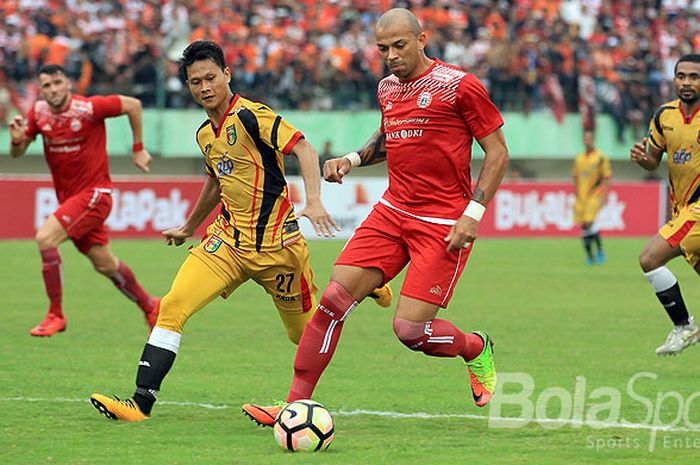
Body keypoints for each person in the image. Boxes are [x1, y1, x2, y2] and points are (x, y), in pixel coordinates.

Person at [89, 41, 392, 421]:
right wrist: (188, 226)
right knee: (172, 307)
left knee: (304, 335)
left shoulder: (252, 116)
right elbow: (216, 182)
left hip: (278, 250)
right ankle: (140, 403)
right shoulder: (204, 134)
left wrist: (313, 201)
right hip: (226, 244)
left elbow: (305, 149)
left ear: (227, 74)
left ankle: (362, 287)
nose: (204, 87)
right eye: (195, 81)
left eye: (211, 78)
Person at [242, 8, 509, 426]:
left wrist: (472, 214)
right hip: (392, 211)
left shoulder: (459, 86)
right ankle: (293, 406)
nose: (390, 56)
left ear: (422, 40)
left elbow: (498, 152)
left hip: (442, 224)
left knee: (410, 332)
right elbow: (389, 137)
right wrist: (350, 158)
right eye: (383, 49)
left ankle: (475, 348)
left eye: (399, 46)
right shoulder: (387, 88)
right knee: (331, 301)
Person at [8, 64, 159, 337]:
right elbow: (18, 152)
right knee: (105, 264)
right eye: (47, 86)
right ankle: (151, 306)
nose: (53, 89)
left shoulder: (89, 108)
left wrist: (138, 149)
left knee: (45, 238)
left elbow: (133, 105)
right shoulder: (38, 114)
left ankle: (56, 314)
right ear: (41, 90)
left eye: (57, 83)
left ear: (68, 83)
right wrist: (16, 142)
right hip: (73, 201)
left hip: (95, 195)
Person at [630, 53, 700, 357]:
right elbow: (654, 161)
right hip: (681, 207)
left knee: (649, 257)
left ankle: (684, 326)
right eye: (681, 75)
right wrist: (644, 160)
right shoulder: (664, 116)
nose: (686, 82)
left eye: (694, 77)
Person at [572, 129, 611, 265]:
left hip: (595, 195)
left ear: (593, 140)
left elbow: (606, 177)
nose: (587, 141)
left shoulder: (601, 158)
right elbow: (576, 178)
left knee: (589, 222)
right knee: (584, 225)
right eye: (585, 138)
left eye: (589, 138)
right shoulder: (579, 158)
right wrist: (576, 195)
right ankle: (590, 256)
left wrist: (605, 195)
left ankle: (599, 251)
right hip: (581, 197)